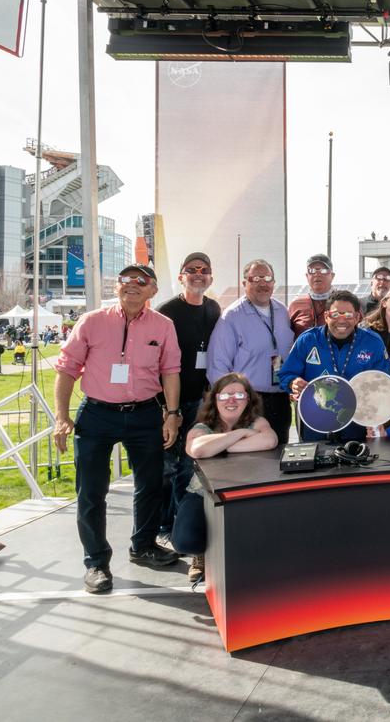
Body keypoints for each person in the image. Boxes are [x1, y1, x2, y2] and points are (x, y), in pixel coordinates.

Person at [52, 264, 183, 594]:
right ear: (116, 287)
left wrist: (172, 414)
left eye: (141, 280)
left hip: (145, 414)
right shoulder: (91, 321)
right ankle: (96, 562)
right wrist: (61, 416)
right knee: (91, 492)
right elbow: (67, 369)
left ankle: (143, 546)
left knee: (151, 484)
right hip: (97, 414)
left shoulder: (164, 325)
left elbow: (170, 371)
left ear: (153, 290)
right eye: (125, 279)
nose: (132, 284)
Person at [175, 373, 278, 582]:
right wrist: (239, 434)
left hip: (245, 492)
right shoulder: (202, 426)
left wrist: (218, 446)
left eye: (239, 395)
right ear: (215, 399)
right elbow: (197, 449)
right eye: (225, 395)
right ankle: (201, 555)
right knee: (185, 541)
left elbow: (269, 441)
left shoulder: (258, 422)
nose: (232, 400)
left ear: (248, 399)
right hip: (203, 493)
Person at [155, 251, 223, 550]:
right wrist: (166, 408)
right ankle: (163, 527)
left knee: (188, 467)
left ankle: (182, 529)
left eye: (204, 269)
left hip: (199, 401)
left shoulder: (213, 309)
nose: (198, 274)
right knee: (166, 469)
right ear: (181, 276)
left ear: (210, 277)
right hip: (167, 403)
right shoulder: (167, 312)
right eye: (192, 269)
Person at [281, 290, 390, 442]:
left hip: (357, 423)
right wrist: (293, 382)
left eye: (348, 315)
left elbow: (385, 382)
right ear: (326, 316)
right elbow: (285, 375)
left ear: (357, 317)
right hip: (316, 423)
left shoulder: (373, 342)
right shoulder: (307, 340)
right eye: (335, 314)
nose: (341, 320)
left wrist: (377, 418)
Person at [207, 259, 295, 445]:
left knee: (281, 453)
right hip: (249, 402)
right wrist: (231, 404)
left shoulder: (282, 311)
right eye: (256, 278)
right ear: (244, 283)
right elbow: (218, 366)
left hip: (280, 399)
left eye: (267, 278)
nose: (263, 284)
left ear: (273, 282)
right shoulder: (232, 316)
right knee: (251, 457)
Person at [287, 253, 337, 336]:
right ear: (307, 276)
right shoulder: (295, 306)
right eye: (312, 271)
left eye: (323, 270)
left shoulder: (346, 302)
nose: (317, 274)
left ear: (332, 276)